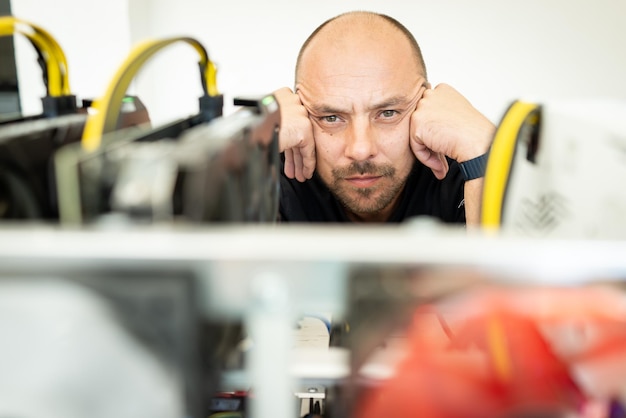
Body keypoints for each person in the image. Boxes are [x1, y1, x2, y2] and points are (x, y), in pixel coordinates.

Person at [273, 11, 495, 225]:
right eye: (331, 117)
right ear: (300, 110)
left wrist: (484, 151)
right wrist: (253, 144)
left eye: (388, 113)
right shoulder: (272, 171)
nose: (360, 150)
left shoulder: (466, 164)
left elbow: (507, 261)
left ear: (425, 101)